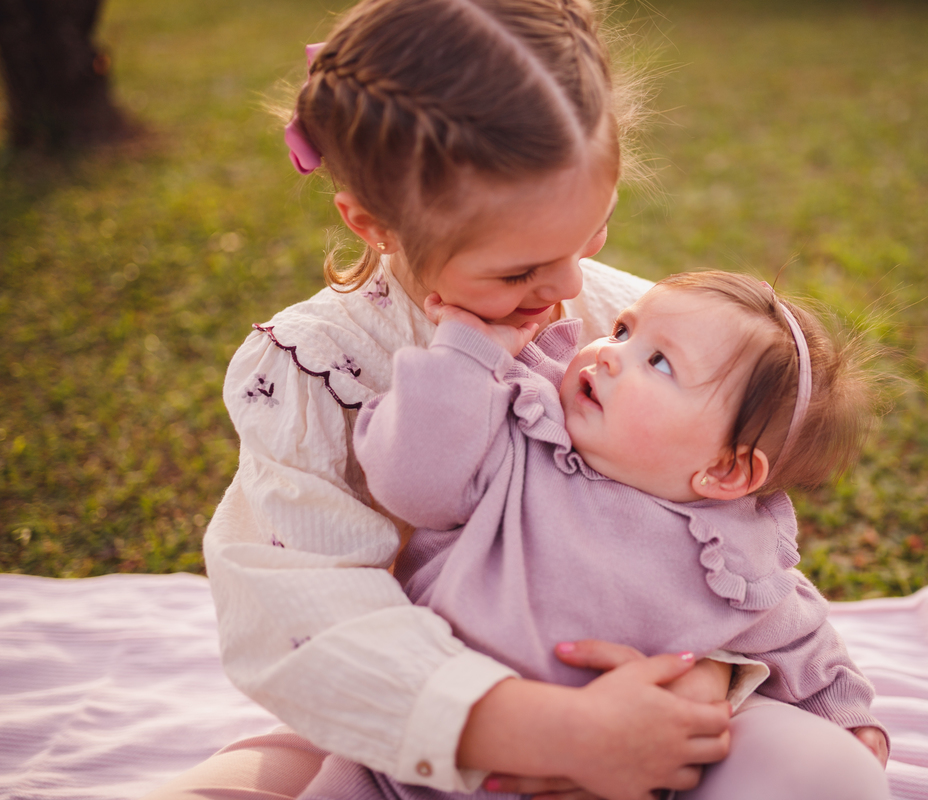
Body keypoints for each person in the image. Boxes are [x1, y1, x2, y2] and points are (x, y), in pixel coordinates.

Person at [144, 1, 748, 799]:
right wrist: (551, 733)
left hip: (623, 684)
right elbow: (307, 613)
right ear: (375, 225)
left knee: (817, 773)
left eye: (590, 235)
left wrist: (691, 683)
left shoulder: (623, 325)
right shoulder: (321, 369)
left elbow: (730, 508)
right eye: (516, 271)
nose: (566, 288)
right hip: (416, 729)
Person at [313, 271, 891, 800]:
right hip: (420, 765)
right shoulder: (521, 427)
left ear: (725, 471)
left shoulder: (727, 554)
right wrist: (464, 354)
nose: (610, 355)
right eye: (621, 330)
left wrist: (850, 721)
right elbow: (411, 480)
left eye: (659, 363)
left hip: (605, 779)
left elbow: (801, 642)